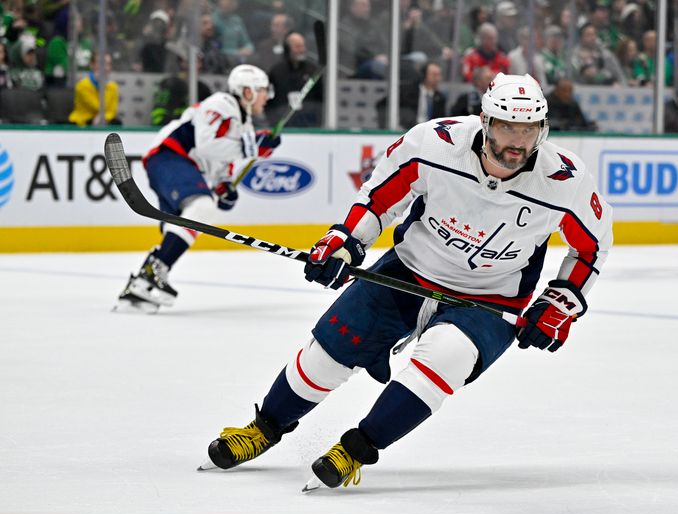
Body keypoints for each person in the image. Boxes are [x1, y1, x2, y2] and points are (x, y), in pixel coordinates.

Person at [200, 73, 613, 490]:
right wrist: (345, 243)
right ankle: (265, 428)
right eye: (507, 127)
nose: (517, 142)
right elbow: (379, 199)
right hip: (410, 271)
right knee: (328, 351)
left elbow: (591, 246)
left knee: (446, 356)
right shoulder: (435, 143)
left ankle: (355, 450)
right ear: (485, 120)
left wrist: (560, 303)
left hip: (491, 300)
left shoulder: (564, 179)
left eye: (529, 130)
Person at [114, 65, 282, 313]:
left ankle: (140, 288)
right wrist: (252, 145)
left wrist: (224, 185)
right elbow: (206, 145)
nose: (267, 97)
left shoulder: (243, 125)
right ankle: (154, 272)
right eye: (263, 90)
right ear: (247, 91)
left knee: (187, 219)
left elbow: (219, 162)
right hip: (170, 156)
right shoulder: (222, 103)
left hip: (181, 163)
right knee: (202, 208)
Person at [266, 31, 323, 128]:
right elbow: (270, 100)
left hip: (308, 125)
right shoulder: (276, 71)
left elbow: (320, 99)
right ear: (288, 49)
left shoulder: (313, 71)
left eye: (302, 46)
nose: (301, 50)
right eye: (297, 46)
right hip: (282, 124)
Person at [68, 52, 119, 126]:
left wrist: (103, 117)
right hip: (81, 123)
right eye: (101, 63)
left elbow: (112, 111)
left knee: (116, 123)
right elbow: (99, 107)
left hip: (102, 121)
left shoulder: (113, 87)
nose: (105, 67)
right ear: (92, 65)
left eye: (108, 64)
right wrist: (102, 85)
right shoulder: (82, 85)